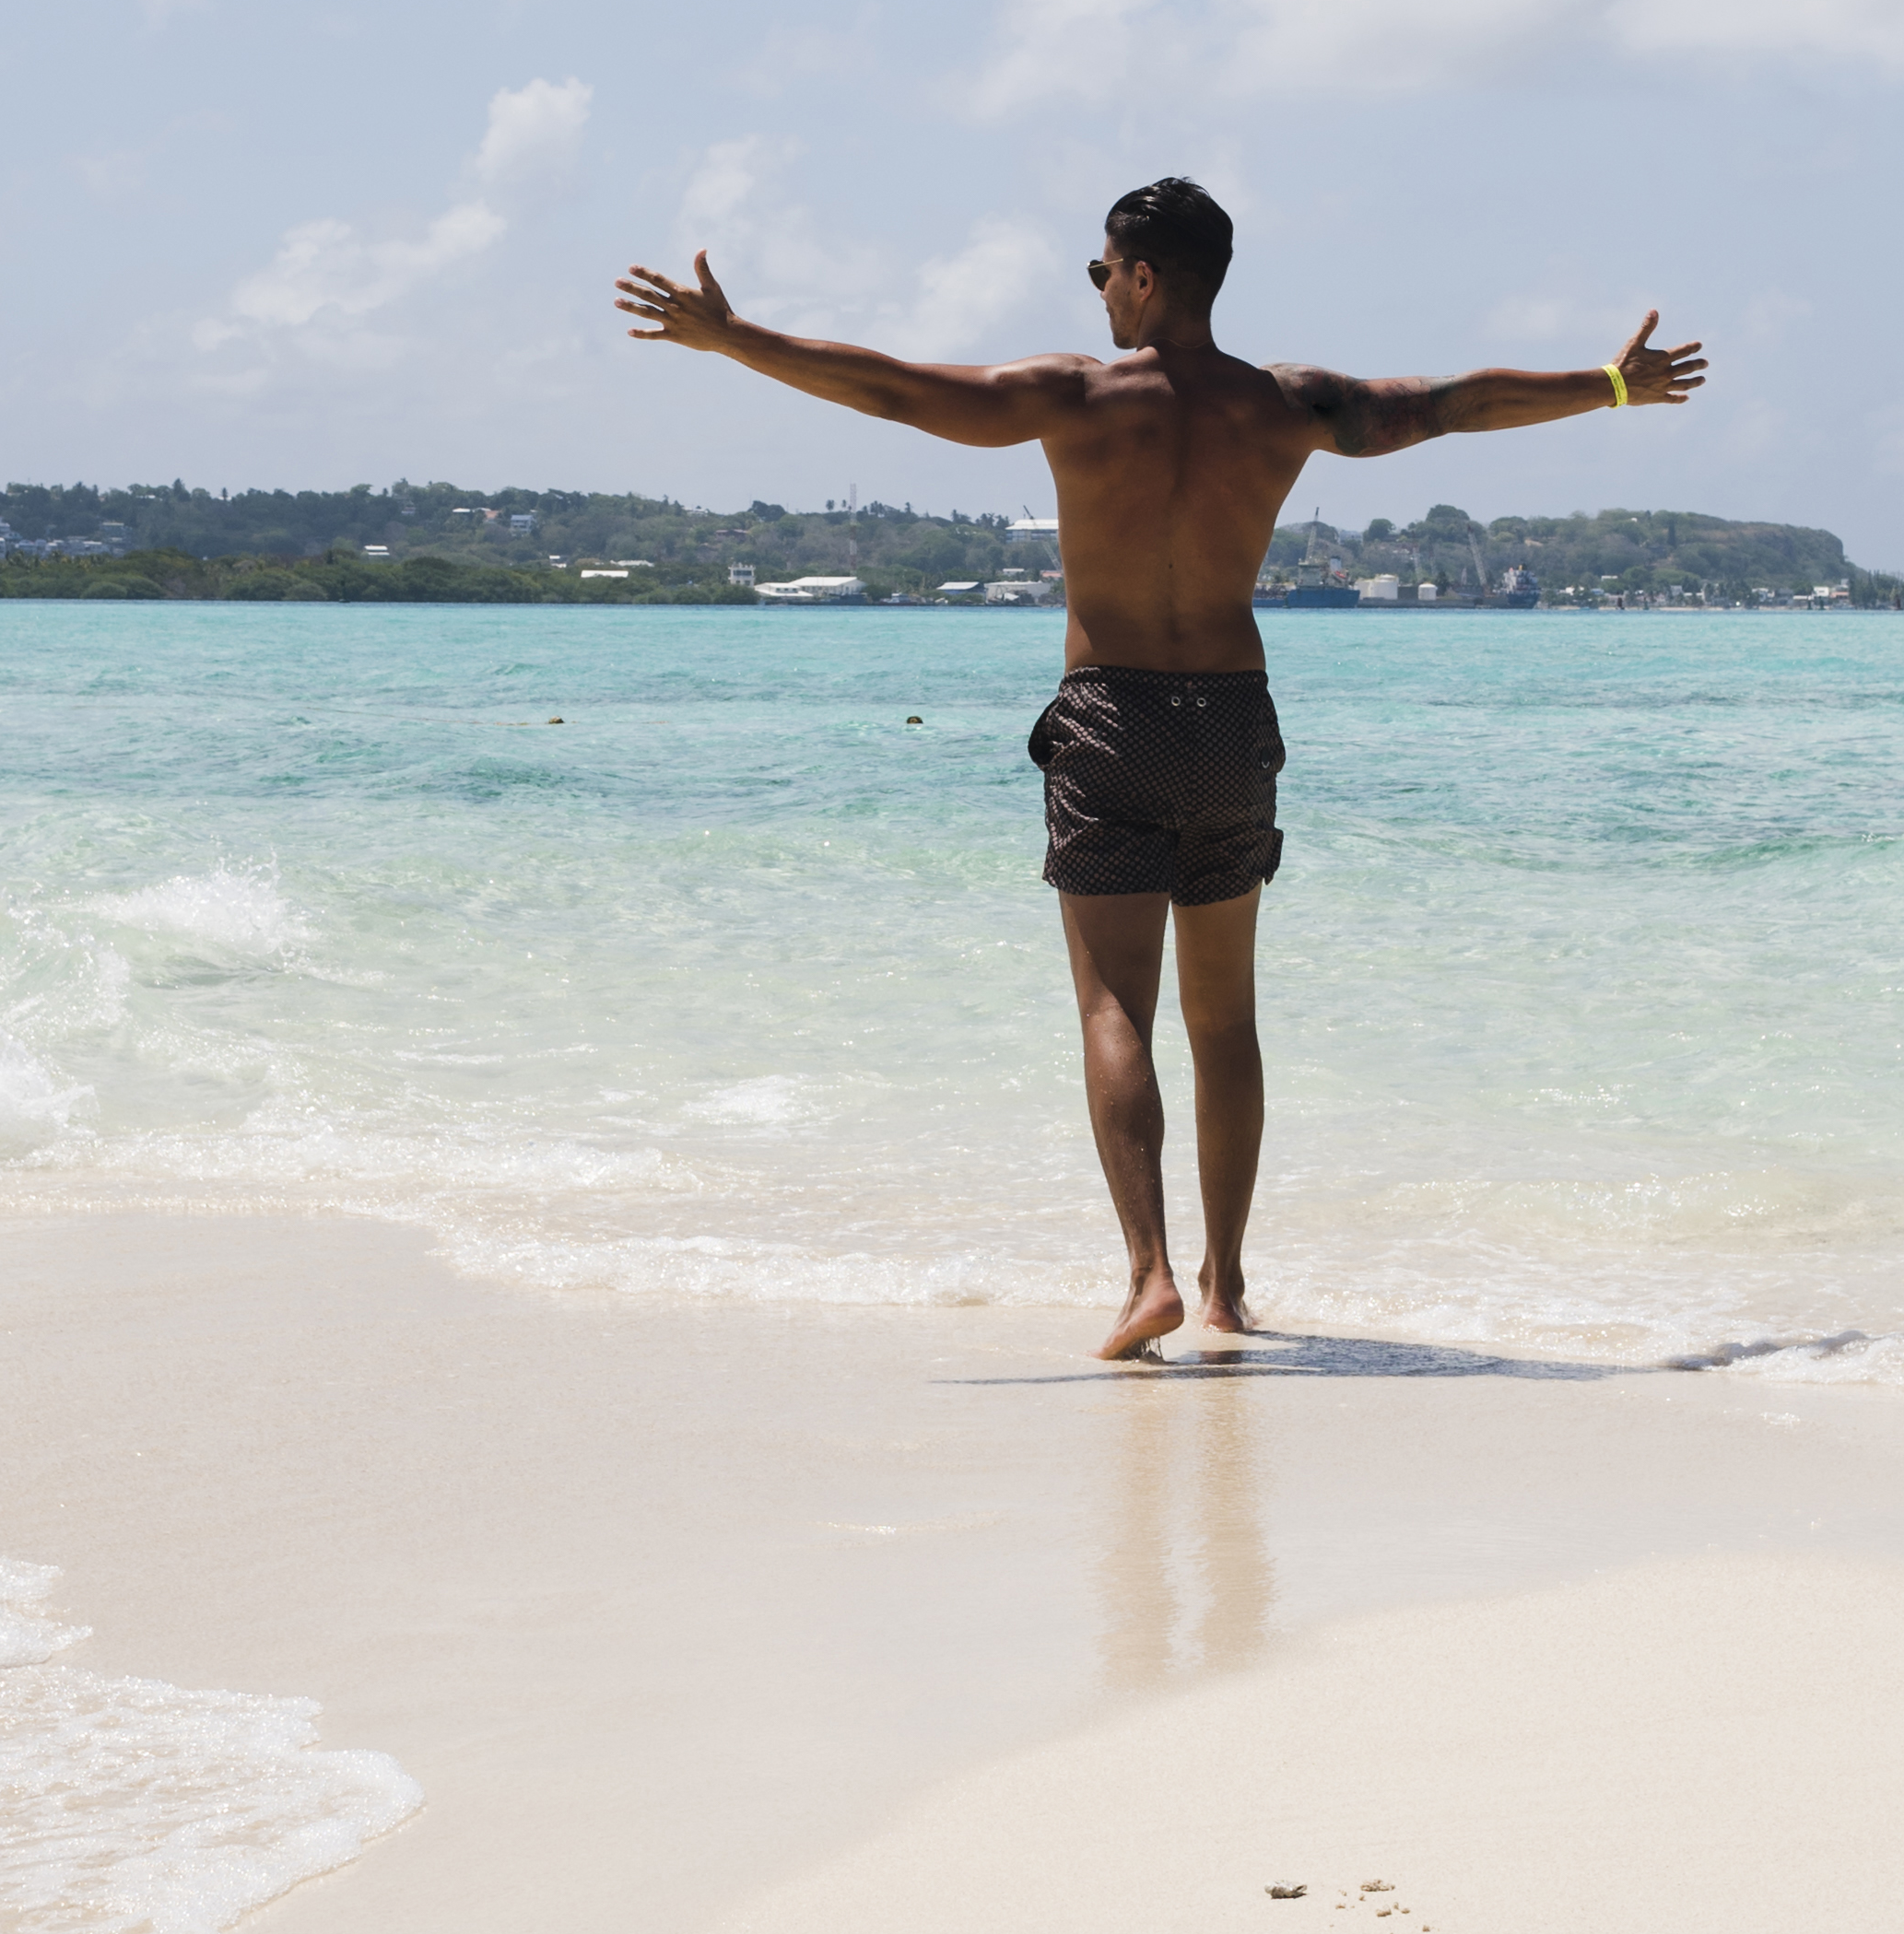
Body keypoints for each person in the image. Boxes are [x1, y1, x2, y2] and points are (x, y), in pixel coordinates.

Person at [617, 176, 1707, 1363]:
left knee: (1113, 1004)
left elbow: (895, 389)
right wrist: (1608, 385)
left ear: (1143, 276)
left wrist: (733, 341)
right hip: (1230, 721)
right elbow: (1453, 402)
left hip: (1112, 717)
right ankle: (1228, 1286)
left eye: (1101, 272)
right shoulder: (1290, 403)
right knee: (1225, 1019)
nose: (1096, 294)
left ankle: (1147, 1279)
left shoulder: (1075, 397)